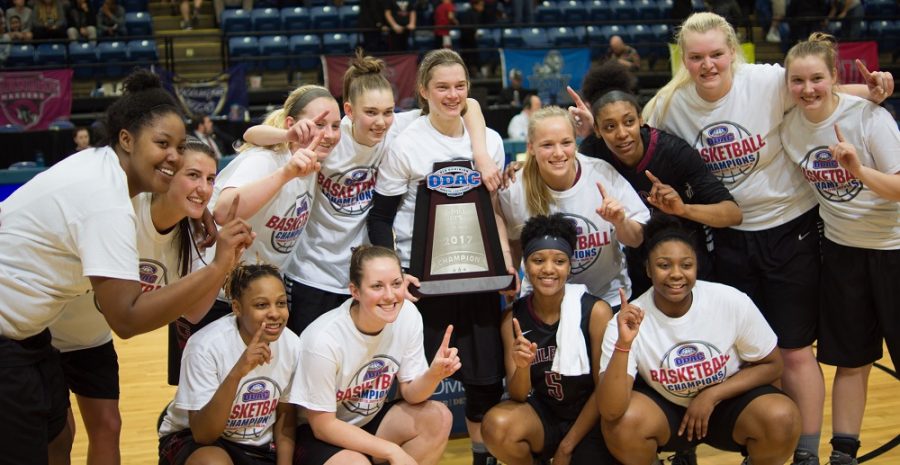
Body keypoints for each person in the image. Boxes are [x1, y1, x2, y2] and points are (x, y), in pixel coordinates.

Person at [642, 12, 893, 465]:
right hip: (726, 236)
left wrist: (875, 92)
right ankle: (762, 442)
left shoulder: (765, 81)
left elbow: (819, 91)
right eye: (696, 57)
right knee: (749, 352)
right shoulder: (669, 103)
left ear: (733, 53)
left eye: (717, 54)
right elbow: (632, 140)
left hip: (789, 229)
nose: (708, 65)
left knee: (794, 350)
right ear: (684, 58)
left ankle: (806, 452)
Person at [0, 68, 252, 465]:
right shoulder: (107, 200)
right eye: (162, 144)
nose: (172, 156)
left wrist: (197, 212)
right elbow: (127, 319)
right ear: (126, 139)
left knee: (60, 435)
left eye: (177, 147)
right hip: (14, 334)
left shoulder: (104, 171)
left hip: (33, 334)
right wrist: (218, 266)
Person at [243, 51, 499, 336]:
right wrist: (287, 136)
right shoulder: (331, 137)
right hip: (312, 273)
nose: (381, 121)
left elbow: (470, 105)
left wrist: (481, 154)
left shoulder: (396, 127)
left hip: (363, 278)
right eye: (371, 113)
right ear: (349, 111)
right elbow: (251, 135)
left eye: (388, 112)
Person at [368, 49, 514, 465]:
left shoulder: (491, 141)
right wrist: (398, 275)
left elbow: (495, 212)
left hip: (479, 274)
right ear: (423, 91)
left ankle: (482, 457)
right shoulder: (405, 142)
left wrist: (504, 260)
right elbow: (381, 216)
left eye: (460, 86)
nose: (452, 95)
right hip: (424, 279)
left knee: (484, 380)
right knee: (418, 383)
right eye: (442, 87)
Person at [50, 139, 218, 465]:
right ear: (167, 174)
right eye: (194, 175)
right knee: (59, 432)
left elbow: (194, 312)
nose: (204, 188)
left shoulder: (194, 236)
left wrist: (223, 262)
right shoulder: (124, 205)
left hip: (90, 337)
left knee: (108, 426)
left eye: (211, 179)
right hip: (48, 325)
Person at [780, 33, 900, 465]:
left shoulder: (870, 117)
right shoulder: (789, 122)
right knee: (852, 360)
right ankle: (844, 454)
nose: (807, 89)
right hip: (842, 254)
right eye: (798, 81)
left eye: (817, 79)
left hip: (894, 248)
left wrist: (858, 169)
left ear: (833, 77)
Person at [167, 85, 338, 385]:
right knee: (201, 397)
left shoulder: (311, 162)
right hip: (210, 294)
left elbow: (251, 132)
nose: (330, 134)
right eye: (320, 124)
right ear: (292, 125)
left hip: (250, 298)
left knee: (246, 392)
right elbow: (222, 211)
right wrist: (286, 173)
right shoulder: (265, 160)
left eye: (336, 126)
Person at [597, 213, 801, 465]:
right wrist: (624, 344)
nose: (676, 274)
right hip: (667, 410)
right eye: (663, 265)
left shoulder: (730, 301)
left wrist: (711, 395)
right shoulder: (628, 319)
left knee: (782, 417)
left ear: (696, 267)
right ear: (648, 269)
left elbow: (773, 365)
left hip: (726, 403)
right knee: (621, 426)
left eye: (686, 265)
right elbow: (610, 410)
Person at [575, 61, 742, 297]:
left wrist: (683, 209)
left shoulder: (673, 152)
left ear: (641, 118)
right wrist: (522, 167)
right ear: (598, 131)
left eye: (629, 121)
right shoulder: (593, 151)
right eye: (610, 126)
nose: (622, 133)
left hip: (687, 260)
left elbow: (733, 213)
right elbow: (560, 171)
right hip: (637, 266)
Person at [290, 245, 457, 465]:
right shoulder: (322, 339)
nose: (390, 296)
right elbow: (323, 426)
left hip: (368, 422)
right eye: (377, 286)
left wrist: (433, 375)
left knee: (438, 417)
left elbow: (411, 394)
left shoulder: (407, 314)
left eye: (396, 284)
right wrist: (391, 451)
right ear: (355, 291)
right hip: (317, 435)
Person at [482, 213, 616, 465]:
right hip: (543, 415)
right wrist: (522, 366)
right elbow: (518, 395)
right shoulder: (513, 317)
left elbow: (604, 390)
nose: (548, 269)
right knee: (496, 426)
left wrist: (567, 447)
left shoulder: (596, 312)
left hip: (589, 416)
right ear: (525, 264)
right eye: (538, 260)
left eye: (559, 261)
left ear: (569, 265)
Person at [499, 106, 650, 309]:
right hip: (543, 305)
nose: (558, 153)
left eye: (566, 143)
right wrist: (510, 277)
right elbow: (513, 242)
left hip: (608, 299)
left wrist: (620, 222)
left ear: (576, 143)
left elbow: (638, 238)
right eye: (547, 145)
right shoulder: (514, 188)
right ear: (531, 148)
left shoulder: (602, 174)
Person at [158, 263, 300, 465]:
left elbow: (286, 415)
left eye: (281, 303)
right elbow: (203, 434)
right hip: (197, 440)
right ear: (237, 308)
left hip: (258, 447)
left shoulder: (293, 345)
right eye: (261, 305)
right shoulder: (204, 346)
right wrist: (236, 373)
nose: (275, 313)